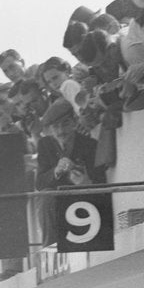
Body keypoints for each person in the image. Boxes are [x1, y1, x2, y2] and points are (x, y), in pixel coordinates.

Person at [36, 99, 103, 245]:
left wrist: (86, 183)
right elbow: (39, 183)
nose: (61, 131)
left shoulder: (90, 145)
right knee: (45, 197)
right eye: (55, 127)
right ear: (50, 129)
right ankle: (50, 247)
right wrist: (56, 171)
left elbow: (102, 182)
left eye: (65, 124)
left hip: (84, 203)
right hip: (57, 205)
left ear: (74, 122)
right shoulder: (45, 145)